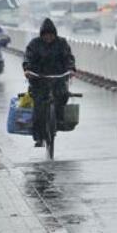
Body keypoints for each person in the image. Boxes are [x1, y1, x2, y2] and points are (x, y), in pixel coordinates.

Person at [23, 18, 76, 147]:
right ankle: (39, 137)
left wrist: (71, 69)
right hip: (39, 80)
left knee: (62, 96)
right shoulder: (34, 44)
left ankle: (58, 121)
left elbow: (68, 58)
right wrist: (27, 69)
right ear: (42, 34)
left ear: (54, 34)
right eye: (46, 35)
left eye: (51, 35)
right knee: (39, 107)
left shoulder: (62, 44)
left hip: (58, 78)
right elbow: (28, 58)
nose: (48, 37)